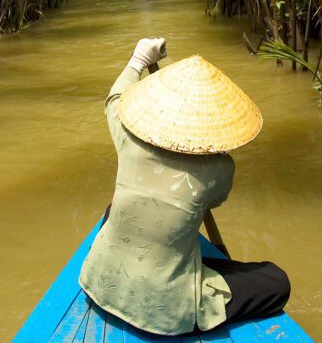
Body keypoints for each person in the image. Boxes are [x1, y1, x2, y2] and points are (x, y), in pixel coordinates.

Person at [79, 38, 290, 336]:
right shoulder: (220, 168)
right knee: (276, 280)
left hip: (97, 280)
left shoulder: (128, 137)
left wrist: (139, 59)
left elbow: (114, 99)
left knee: (115, 207)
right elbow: (214, 201)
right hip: (163, 311)